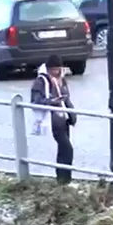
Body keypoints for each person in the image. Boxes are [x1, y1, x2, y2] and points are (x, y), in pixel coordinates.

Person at [31, 53, 76, 184]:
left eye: (59, 69)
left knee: (63, 150)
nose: (57, 72)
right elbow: (36, 101)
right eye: (54, 70)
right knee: (67, 148)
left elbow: (67, 98)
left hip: (64, 119)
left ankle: (63, 180)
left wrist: (72, 114)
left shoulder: (62, 79)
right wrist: (52, 102)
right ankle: (64, 179)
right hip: (52, 120)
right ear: (48, 69)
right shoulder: (41, 82)